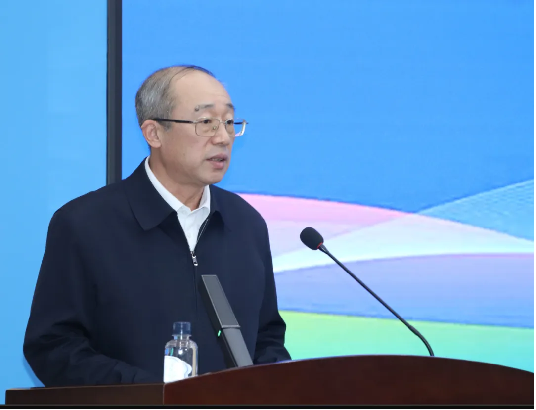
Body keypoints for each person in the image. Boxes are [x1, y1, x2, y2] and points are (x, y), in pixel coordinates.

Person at [23, 65, 292, 387]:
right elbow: (53, 347)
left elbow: (267, 339)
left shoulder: (246, 224)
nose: (223, 137)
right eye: (206, 122)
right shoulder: (85, 224)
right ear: (154, 133)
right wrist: (150, 393)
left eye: (229, 122)